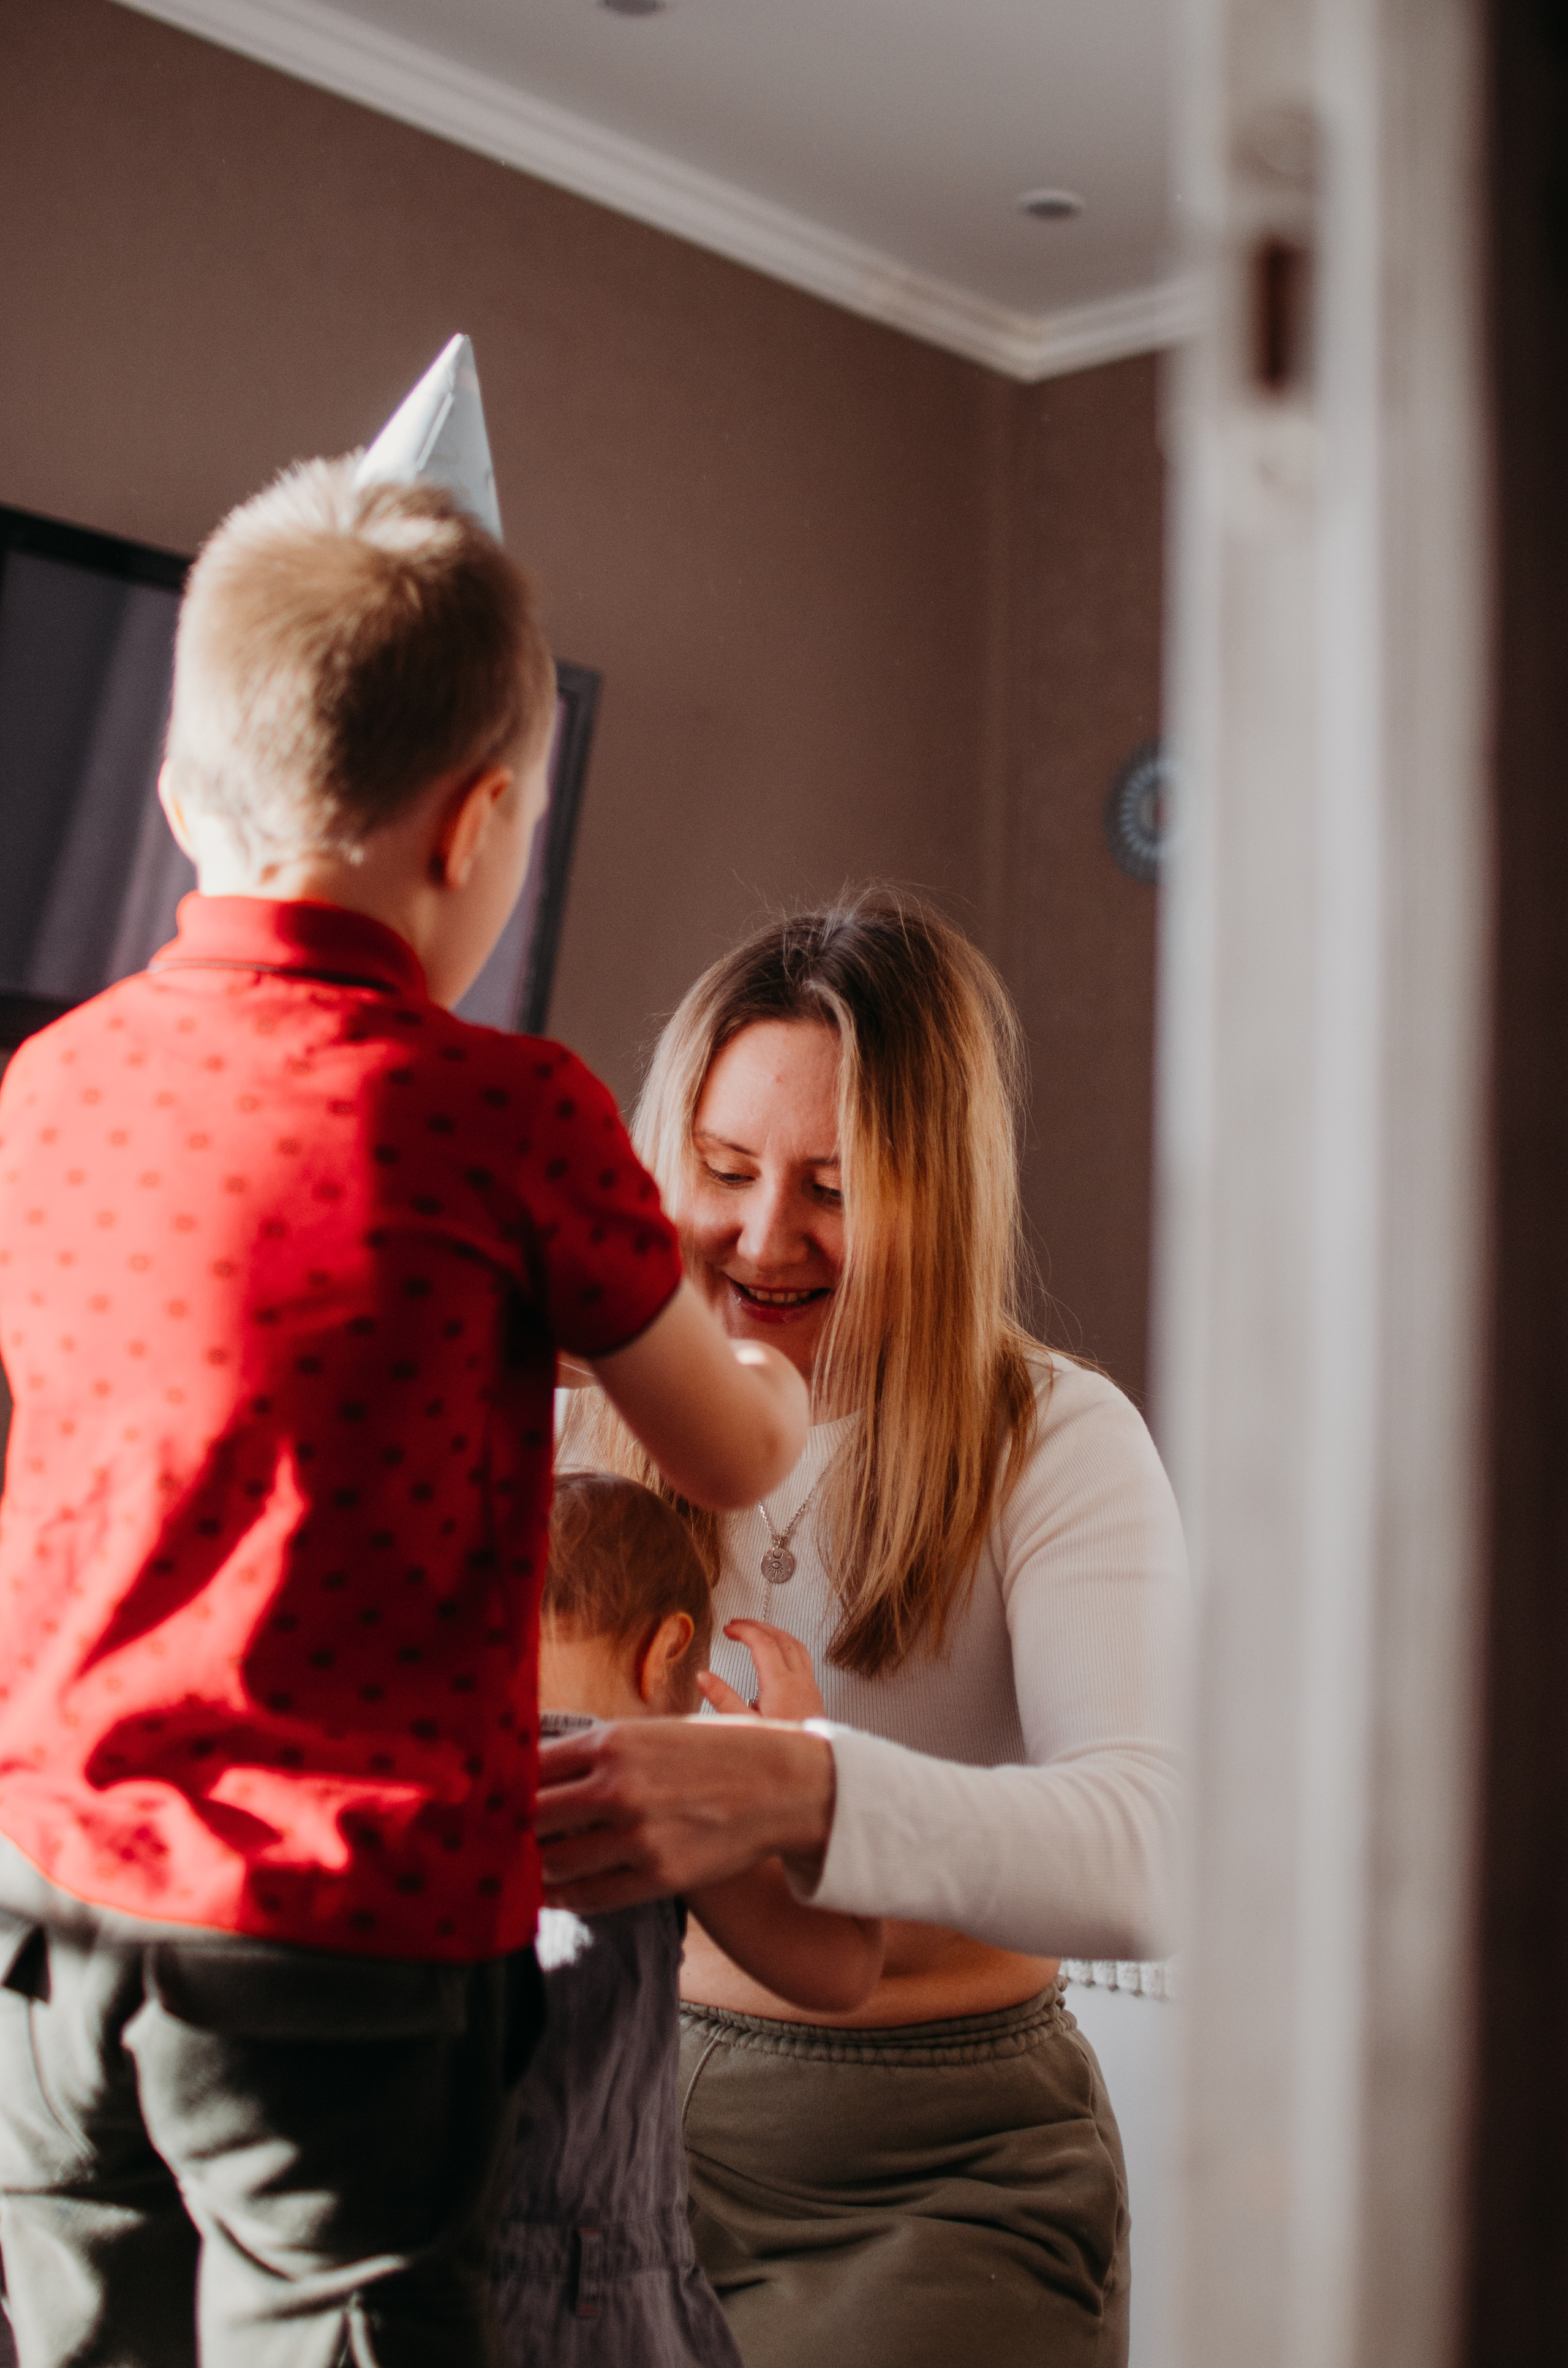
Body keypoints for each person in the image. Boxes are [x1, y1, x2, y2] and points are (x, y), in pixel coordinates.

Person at [0, 462, 807, 2368]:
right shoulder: (509, 1112)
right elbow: (725, 1451)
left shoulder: (55, 1087)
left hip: (53, 1911)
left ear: (179, 796)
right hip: (333, 1954)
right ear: (481, 822)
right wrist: (759, 1376)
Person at [538, 890, 1187, 2368]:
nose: (765, 1236)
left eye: (833, 1187)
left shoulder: (1052, 1438)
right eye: (723, 1171)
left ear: (937, 1200)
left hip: (933, 2164)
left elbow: (1155, 1852)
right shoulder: (577, 1413)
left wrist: (804, 1790)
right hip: (605, 2102)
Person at [492, 1471, 881, 2366]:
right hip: (589, 2290)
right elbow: (843, 1968)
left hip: (409, 2269)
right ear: (667, 1649)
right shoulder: (658, 1795)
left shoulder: (418, 1782)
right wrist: (799, 1769)